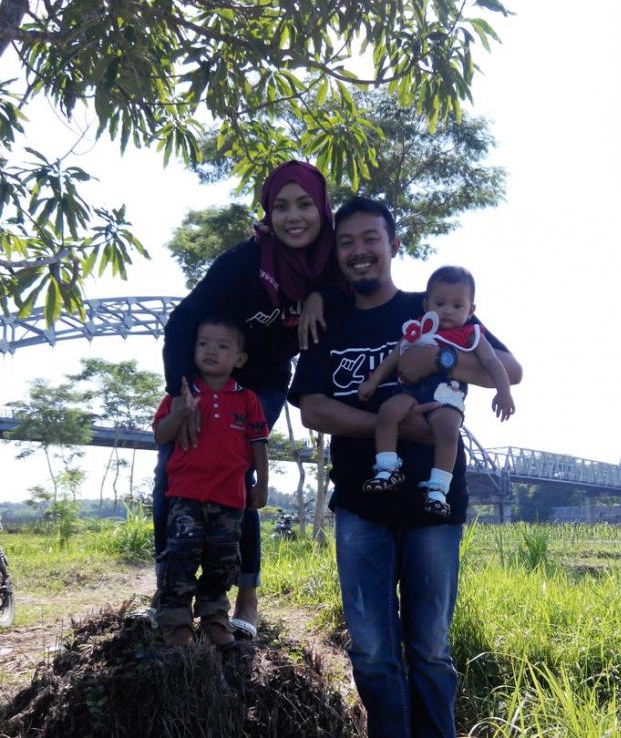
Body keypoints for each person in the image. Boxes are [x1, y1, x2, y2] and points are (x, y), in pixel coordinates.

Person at [289, 197, 521, 738]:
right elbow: (313, 408)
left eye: (370, 239)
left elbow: (509, 368)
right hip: (360, 506)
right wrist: (387, 427)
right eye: (345, 243)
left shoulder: (433, 308)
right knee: (371, 650)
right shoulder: (329, 322)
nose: (358, 251)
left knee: (432, 649)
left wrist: (441, 358)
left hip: (432, 507)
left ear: (394, 246)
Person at [157, 159, 339, 639]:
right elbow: (181, 323)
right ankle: (169, 596)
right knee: (170, 471)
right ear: (267, 214)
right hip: (206, 381)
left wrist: (322, 291)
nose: (293, 216)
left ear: (322, 209)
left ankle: (244, 597)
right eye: (280, 206)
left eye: (304, 204)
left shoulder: (337, 260)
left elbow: (361, 288)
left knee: (239, 474)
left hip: (264, 383)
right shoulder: (243, 263)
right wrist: (184, 393)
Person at [358, 265, 515, 517]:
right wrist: (373, 381)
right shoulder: (417, 330)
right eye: (440, 303)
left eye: (457, 306)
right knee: (387, 413)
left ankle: (438, 489)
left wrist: (503, 391)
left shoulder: (470, 334)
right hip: (409, 392)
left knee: (448, 430)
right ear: (426, 305)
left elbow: (493, 363)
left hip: (446, 396)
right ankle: (387, 468)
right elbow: (394, 357)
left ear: (471, 311)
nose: (447, 311)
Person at [153, 318, 269, 647]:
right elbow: (161, 434)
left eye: (222, 346)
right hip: (185, 496)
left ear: (239, 358)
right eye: (203, 344)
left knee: (222, 559)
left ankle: (215, 615)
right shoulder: (182, 392)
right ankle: (176, 619)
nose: (210, 351)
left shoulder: (248, 399)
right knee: (181, 555)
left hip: (231, 499)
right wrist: (180, 412)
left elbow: (259, 442)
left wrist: (261, 482)